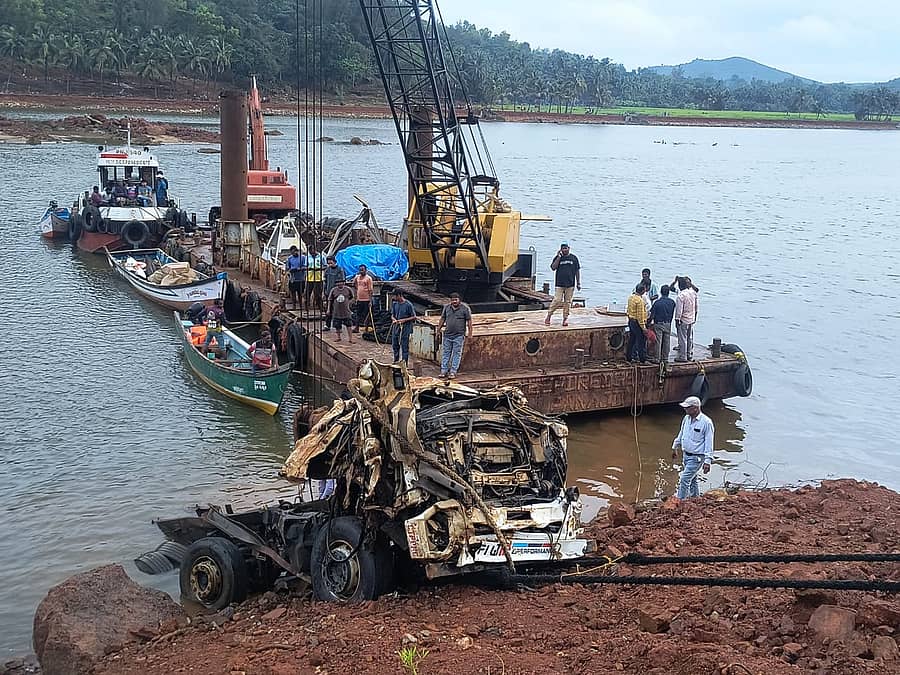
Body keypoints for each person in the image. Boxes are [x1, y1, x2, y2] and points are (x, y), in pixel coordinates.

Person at [671, 395, 715, 500]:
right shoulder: (686, 419)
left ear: (695, 408)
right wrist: (675, 447)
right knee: (693, 479)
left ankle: (680, 501)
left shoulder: (706, 422)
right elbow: (681, 433)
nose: (685, 409)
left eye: (687, 407)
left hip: (697, 458)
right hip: (686, 455)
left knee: (684, 479)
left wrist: (708, 461)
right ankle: (695, 498)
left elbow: (709, 443)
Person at [436, 292, 473, 379]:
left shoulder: (465, 308)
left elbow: (469, 321)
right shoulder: (446, 307)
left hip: (459, 335)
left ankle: (453, 372)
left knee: (456, 353)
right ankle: (443, 371)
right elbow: (442, 318)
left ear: (459, 300)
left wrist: (470, 333)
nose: (454, 302)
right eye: (452, 300)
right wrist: (438, 330)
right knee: (446, 353)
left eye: (456, 300)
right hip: (447, 335)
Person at [545, 242, 581, 326]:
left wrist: (578, 283)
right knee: (557, 300)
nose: (565, 250)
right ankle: (549, 315)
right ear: (560, 249)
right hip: (559, 284)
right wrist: (558, 257)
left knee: (568, 302)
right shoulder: (558, 258)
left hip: (570, 284)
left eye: (566, 248)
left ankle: (565, 319)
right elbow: (553, 267)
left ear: (569, 248)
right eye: (563, 248)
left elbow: (577, 271)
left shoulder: (574, 258)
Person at [648, 284, 676, 363]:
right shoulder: (672, 302)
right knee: (667, 341)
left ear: (661, 292)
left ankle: (657, 358)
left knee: (658, 341)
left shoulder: (657, 303)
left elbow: (652, 315)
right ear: (668, 293)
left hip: (659, 324)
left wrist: (648, 323)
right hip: (668, 323)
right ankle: (665, 358)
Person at [674, 277, 699, 362]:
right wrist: (695, 316)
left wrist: (677, 320)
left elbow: (679, 310)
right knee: (689, 338)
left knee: (682, 339)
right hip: (691, 319)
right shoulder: (693, 293)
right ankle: (689, 354)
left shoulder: (681, 296)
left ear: (680, 285)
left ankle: (682, 356)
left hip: (683, 319)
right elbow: (696, 307)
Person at [390, 289, 416, 364]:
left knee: (404, 346)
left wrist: (404, 320)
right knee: (395, 345)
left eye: (395, 296)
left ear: (399, 295)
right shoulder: (395, 304)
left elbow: (414, 317)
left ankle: (404, 363)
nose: (394, 298)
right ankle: (396, 361)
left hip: (405, 328)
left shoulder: (408, 304)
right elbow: (392, 315)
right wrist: (394, 319)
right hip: (396, 327)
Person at [327, 277, 355, 342]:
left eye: (341, 282)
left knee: (349, 325)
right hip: (337, 311)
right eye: (338, 283)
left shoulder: (348, 289)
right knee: (337, 325)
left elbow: (352, 297)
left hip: (346, 311)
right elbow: (330, 300)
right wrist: (328, 309)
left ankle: (350, 338)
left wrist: (349, 304)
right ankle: (338, 337)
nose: (340, 284)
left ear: (343, 283)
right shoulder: (333, 290)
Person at [625, 283, 648, 363]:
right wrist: (643, 328)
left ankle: (629, 357)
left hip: (631, 321)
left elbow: (628, 310)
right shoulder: (640, 301)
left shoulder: (631, 297)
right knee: (640, 342)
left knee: (632, 340)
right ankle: (642, 359)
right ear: (642, 291)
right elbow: (640, 316)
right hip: (637, 323)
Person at [322, 256, 345, 331]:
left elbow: (342, 282)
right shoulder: (327, 270)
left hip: (337, 293)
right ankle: (327, 325)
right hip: (328, 292)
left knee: (338, 310)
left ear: (335, 262)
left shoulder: (340, 270)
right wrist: (324, 292)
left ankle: (339, 326)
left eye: (331, 263)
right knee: (328, 310)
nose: (329, 264)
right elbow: (325, 282)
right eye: (328, 263)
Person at [352, 264, 374, 332]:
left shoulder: (368, 278)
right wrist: (355, 298)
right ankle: (357, 327)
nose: (361, 271)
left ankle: (366, 328)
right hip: (359, 299)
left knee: (367, 314)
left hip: (366, 299)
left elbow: (370, 290)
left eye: (362, 270)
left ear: (366, 270)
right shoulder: (357, 277)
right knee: (358, 314)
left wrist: (370, 301)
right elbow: (354, 284)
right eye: (360, 270)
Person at [304, 247, 326, 311]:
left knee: (318, 293)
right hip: (310, 278)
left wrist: (320, 268)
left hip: (319, 277)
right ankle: (307, 306)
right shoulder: (307, 257)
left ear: (314, 250)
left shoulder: (321, 256)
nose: (311, 253)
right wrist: (309, 269)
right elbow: (305, 266)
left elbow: (325, 266)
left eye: (312, 252)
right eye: (310, 252)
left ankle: (320, 306)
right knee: (308, 292)